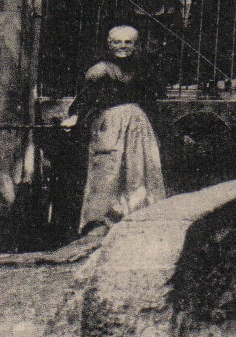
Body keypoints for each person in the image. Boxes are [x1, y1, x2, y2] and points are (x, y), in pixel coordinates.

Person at [61, 25, 166, 234]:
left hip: (138, 126)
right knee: (108, 168)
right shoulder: (100, 70)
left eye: (128, 42)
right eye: (117, 42)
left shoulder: (142, 69)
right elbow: (85, 98)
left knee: (139, 167)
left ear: (136, 45)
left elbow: (150, 100)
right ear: (109, 45)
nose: (123, 46)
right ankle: (100, 221)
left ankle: (137, 215)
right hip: (111, 124)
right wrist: (75, 116)